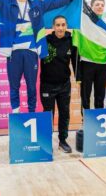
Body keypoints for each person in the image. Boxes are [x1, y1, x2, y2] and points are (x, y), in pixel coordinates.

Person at [40, 15, 78, 153]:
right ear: (53, 27)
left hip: (64, 85)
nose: (60, 28)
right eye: (58, 25)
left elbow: (75, 62)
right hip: (47, 85)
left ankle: (63, 141)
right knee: (47, 115)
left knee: (64, 114)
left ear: (66, 26)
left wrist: (78, 79)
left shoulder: (72, 41)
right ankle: (46, 142)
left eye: (63, 25)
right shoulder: (44, 41)